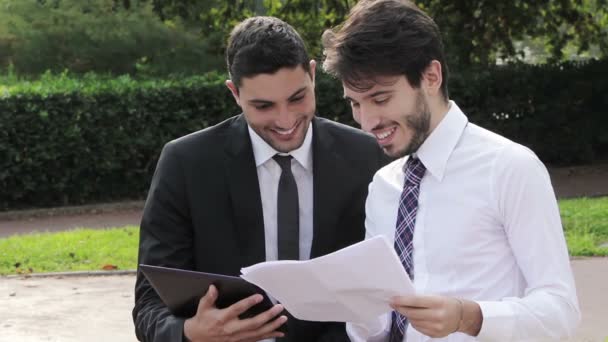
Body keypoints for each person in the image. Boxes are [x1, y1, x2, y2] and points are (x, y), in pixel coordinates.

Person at [321, 0, 581, 341]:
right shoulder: (383, 185)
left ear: (431, 76)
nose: (367, 122)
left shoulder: (510, 168)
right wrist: (359, 311)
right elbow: (378, 328)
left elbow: (561, 313)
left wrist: (469, 317)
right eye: (355, 103)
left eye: (380, 99)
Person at [132, 16, 387, 342]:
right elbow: (149, 305)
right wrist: (189, 333)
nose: (286, 120)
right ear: (235, 93)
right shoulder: (186, 164)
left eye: (297, 98)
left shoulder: (367, 157)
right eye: (263, 106)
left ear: (312, 74)